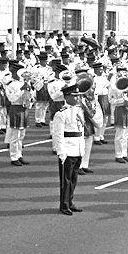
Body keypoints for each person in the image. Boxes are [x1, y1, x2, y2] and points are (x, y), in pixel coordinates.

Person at [51, 84, 86, 215]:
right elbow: (58, 135)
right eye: (74, 96)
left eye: (78, 96)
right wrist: (61, 153)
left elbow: (81, 130)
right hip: (67, 149)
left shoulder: (79, 110)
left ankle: (70, 202)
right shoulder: (61, 114)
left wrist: (82, 149)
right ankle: (64, 205)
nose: (77, 98)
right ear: (67, 97)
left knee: (73, 179)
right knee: (65, 180)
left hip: (77, 148)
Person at [5, 61, 32, 166]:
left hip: (24, 108)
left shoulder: (23, 82)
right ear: (13, 72)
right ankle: (13, 157)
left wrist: (30, 97)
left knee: (21, 135)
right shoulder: (10, 84)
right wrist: (22, 89)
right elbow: (11, 98)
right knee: (15, 135)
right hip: (15, 108)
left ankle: (19, 155)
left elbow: (30, 96)